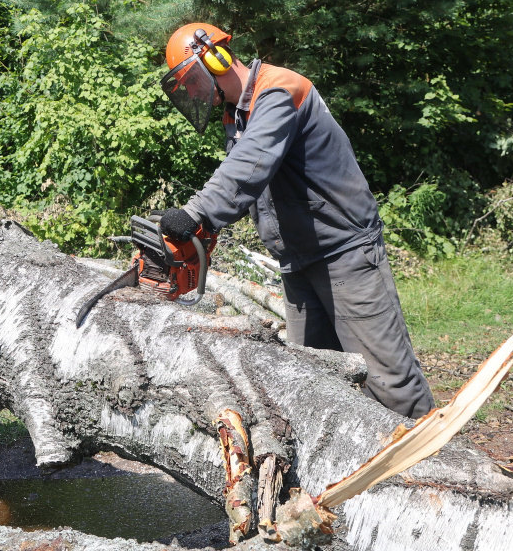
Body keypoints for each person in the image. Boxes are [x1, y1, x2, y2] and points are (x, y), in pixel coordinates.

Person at [157, 22, 435, 419]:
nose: (194, 93)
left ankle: (432, 469)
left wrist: (196, 213)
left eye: (193, 82)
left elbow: (249, 165)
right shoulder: (236, 115)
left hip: (344, 252)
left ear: (215, 59)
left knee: (391, 383)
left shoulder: (278, 91)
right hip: (297, 261)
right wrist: (207, 228)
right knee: (314, 381)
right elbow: (252, 183)